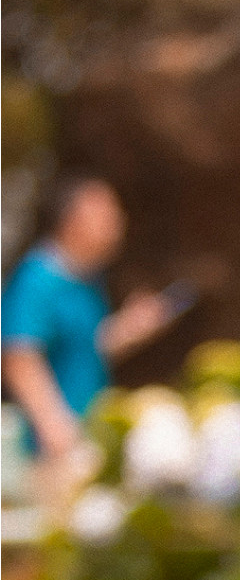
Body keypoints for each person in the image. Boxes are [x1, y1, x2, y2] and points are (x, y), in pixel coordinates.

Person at [2, 174, 175, 490]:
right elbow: (18, 355)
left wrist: (130, 329)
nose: (118, 224)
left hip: (86, 437)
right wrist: (55, 428)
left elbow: (88, 347)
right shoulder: (38, 279)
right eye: (106, 214)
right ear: (73, 219)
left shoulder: (86, 281)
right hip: (50, 450)